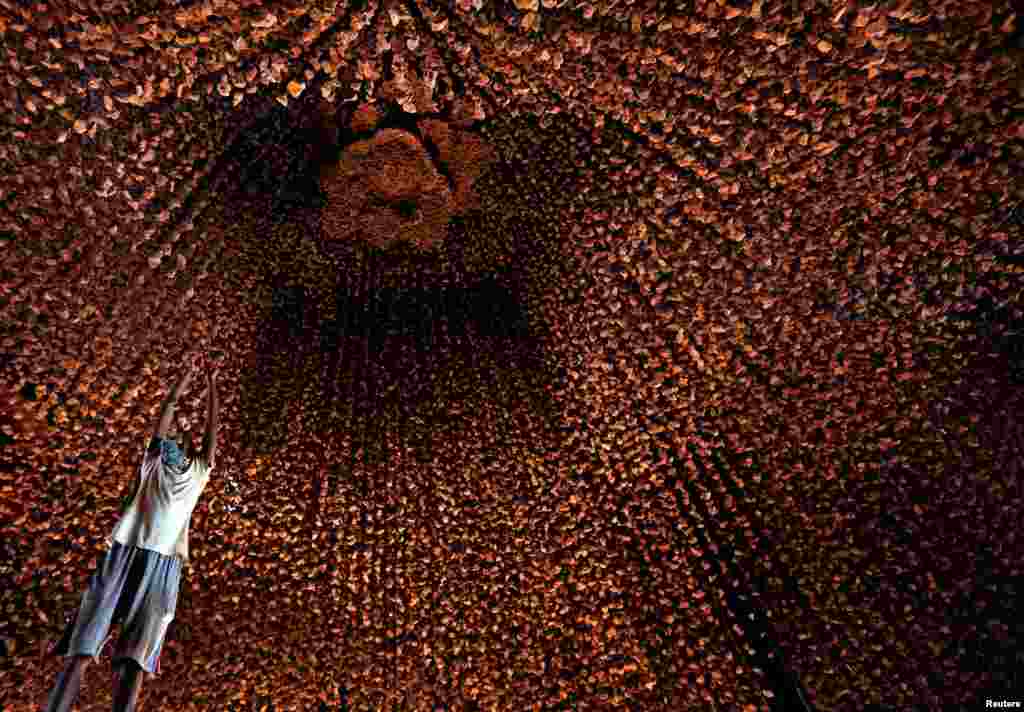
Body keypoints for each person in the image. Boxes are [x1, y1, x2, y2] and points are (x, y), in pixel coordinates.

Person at [45, 352, 220, 712]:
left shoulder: (199, 472)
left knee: (134, 663)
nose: (178, 440)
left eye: (184, 440)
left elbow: (210, 432)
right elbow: (167, 410)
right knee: (82, 650)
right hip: (126, 551)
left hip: (163, 563)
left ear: (191, 450)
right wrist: (187, 376)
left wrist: (212, 383)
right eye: (174, 438)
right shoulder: (154, 462)